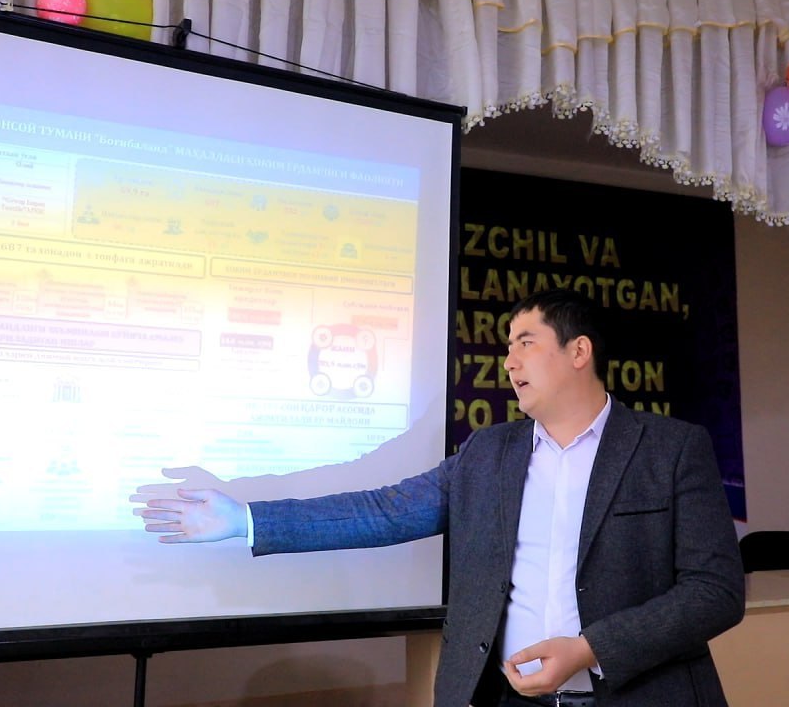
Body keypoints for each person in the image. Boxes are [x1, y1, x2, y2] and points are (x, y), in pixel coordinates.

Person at [134, 288, 745, 707]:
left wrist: (589, 650)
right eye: (507, 347)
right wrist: (245, 519)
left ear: (578, 351)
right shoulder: (489, 453)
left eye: (525, 342)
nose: (509, 361)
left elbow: (715, 592)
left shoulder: (670, 449)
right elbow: (384, 510)